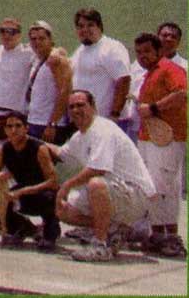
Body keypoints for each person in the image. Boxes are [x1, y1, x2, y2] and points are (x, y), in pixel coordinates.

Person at [52, 90, 156, 262]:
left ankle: (100, 246)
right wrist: (28, 140)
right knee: (64, 210)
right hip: (118, 193)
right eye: (72, 107)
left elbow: (98, 169)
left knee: (96, 184)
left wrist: (66, 185)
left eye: (81, 105)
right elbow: (61, 153)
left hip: (137, 195)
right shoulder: (79, 136)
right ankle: (115, 230)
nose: (76, 110)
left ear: (93, 107)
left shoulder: (102, 129)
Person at [134, 33, 187, 256]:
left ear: (158, 51)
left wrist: (154, 108)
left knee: (166, 188)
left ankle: (172, 238)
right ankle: (157, 235)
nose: (142, 56)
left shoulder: (170, 68)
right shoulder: (149, 74)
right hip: (148, 139)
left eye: (147, 51)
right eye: (138, 52)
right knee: (151, 186)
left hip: (169, 140)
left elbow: (182, 94)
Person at [0, 111, 60, 251]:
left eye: (18, 126)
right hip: (20, 192)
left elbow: (53, 182)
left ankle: (50, 232)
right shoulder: (4, 148)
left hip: (41, 192)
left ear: (26, 128)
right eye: (9, 126)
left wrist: (22, 191)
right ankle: (21, 227)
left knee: (50, 197)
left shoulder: (39, 148)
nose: (13, 130)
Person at [126, 22, 187, 143]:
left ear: (179, 42)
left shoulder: (183, 67)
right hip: (138, 127)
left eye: (173, 37)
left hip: (167, 132)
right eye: (165, 35)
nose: (168, 39)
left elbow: (181, 95)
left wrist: (152, 108)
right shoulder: (139, 64)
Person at [70, 8, 130, 130]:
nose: (85, 30)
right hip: (85, 123)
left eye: (90, 25)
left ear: (100, 27)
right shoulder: (79, 51)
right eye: (81, 26)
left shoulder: (111, 48)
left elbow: (123, 80)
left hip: (109, 123)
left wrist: (115, 115)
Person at [26, 21, 72, 144]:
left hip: (48, 125)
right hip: (33, 122)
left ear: (50, 39)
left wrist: (52, 123)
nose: (37, 42)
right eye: (33, 39)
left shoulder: (56, 60)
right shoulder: (37, 59)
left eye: (41, 38)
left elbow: (65, 92)